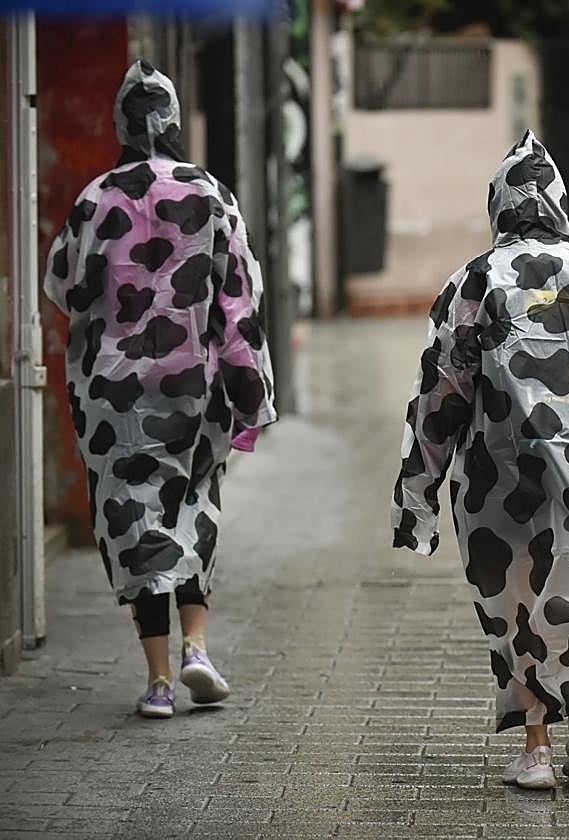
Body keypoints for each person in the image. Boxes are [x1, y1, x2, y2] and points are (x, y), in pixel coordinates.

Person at [391, 130, 569, 790]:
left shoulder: (475, 279)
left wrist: (418, 487)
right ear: (560, 204)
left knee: (514, 606)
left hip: (499, 473)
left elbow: (441, 387)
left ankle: (536, 750)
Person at [43, 61, 276, 719]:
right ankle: (199, 646)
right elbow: (241, 299)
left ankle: (158, 681)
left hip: (113, 397)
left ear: (120, 122)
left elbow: (64, 288)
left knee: (134, 520)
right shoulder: (211, 194)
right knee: (192, 506)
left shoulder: (95, 198)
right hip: (193, 389)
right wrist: (253, 393)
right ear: (174, 120)